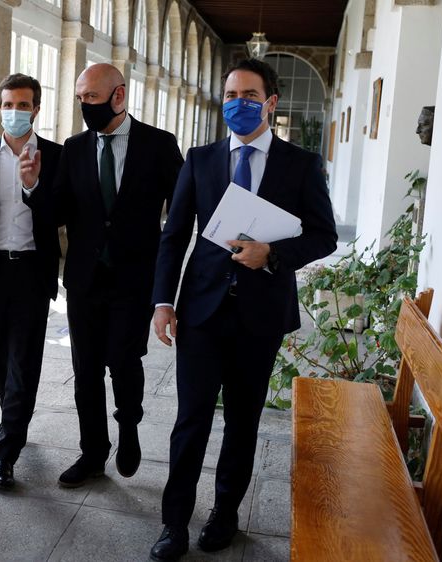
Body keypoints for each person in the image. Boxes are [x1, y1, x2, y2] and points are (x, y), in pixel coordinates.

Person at [149, 59, 337, 560]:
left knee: (242, 420)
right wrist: (163, 302)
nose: (238, 103)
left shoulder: (301, 164)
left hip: (261, 314)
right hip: (202, 311)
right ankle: (173, 524)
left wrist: (271, 254)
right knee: (190, 420)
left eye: (249, 95)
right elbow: (174, 235)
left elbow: (324, 236)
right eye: (231, 94)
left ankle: (225, 514)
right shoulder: (200, 159)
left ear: (270, 102)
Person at [25, 63, 184, 488]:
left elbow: (182, 210)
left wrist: (169, 277)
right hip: (84, 280)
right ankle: (93, 452)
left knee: (124, 360)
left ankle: (128, 424)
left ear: (119, 96)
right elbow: (57, 212)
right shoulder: (75, 148)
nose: (84, 106)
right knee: (87, 369)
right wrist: (34, 187)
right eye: (79, 98)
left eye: (91, 98)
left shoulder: (159, 144)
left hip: (135, 279)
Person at [0, 73, 62, 489]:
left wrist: (32, 186)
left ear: (36, 109)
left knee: (24, 360)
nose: (15, 112)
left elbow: (60, 214)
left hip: (31, 269)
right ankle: (13, 419)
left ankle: (6, 453)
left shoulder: (55, 156)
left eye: (23, 105)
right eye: (8, 104)